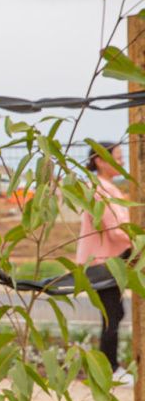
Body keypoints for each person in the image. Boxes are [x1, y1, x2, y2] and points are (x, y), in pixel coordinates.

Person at [78, 142, 131, 379]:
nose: (122, 162)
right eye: (117, 157)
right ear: (100, 160)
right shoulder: (99, 190)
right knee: (112, 315)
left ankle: (110, 368)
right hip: (103, 262)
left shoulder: (109, 188)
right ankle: (109, 370)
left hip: (109, 260)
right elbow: (115, 230)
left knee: (114, 313)